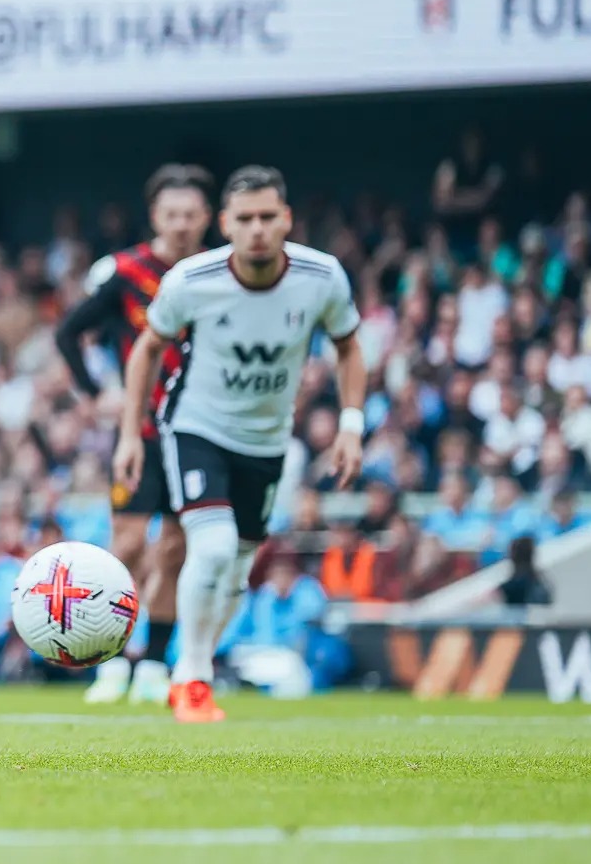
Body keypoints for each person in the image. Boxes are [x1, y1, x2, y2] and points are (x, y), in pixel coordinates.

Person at [114, 166, 365, 723]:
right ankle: (191, 678)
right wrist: (132, 434)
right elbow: (146, 350)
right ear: (225, 224)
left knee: (238, 567)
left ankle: (195, 666)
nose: (257, 229)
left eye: (267, 217)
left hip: (267, 441)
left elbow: (349, 346)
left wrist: (351, 424)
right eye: (245, 219)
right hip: (196, 428)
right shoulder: (191, 280)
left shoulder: (321, 276)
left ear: (287, 220)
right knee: (215, 547)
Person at [52, 163, 212, 705]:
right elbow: (70, 332)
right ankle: (113, 659)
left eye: (191, 214)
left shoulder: (218, 274)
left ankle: (154, 664)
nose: (183, 224)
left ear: (207, 217)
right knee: (125, 546)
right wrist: (95, 392)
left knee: (174, 549)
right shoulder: (128, 273)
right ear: (155, 217)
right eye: (173, 214)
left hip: (197, 433)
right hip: (139, 434)